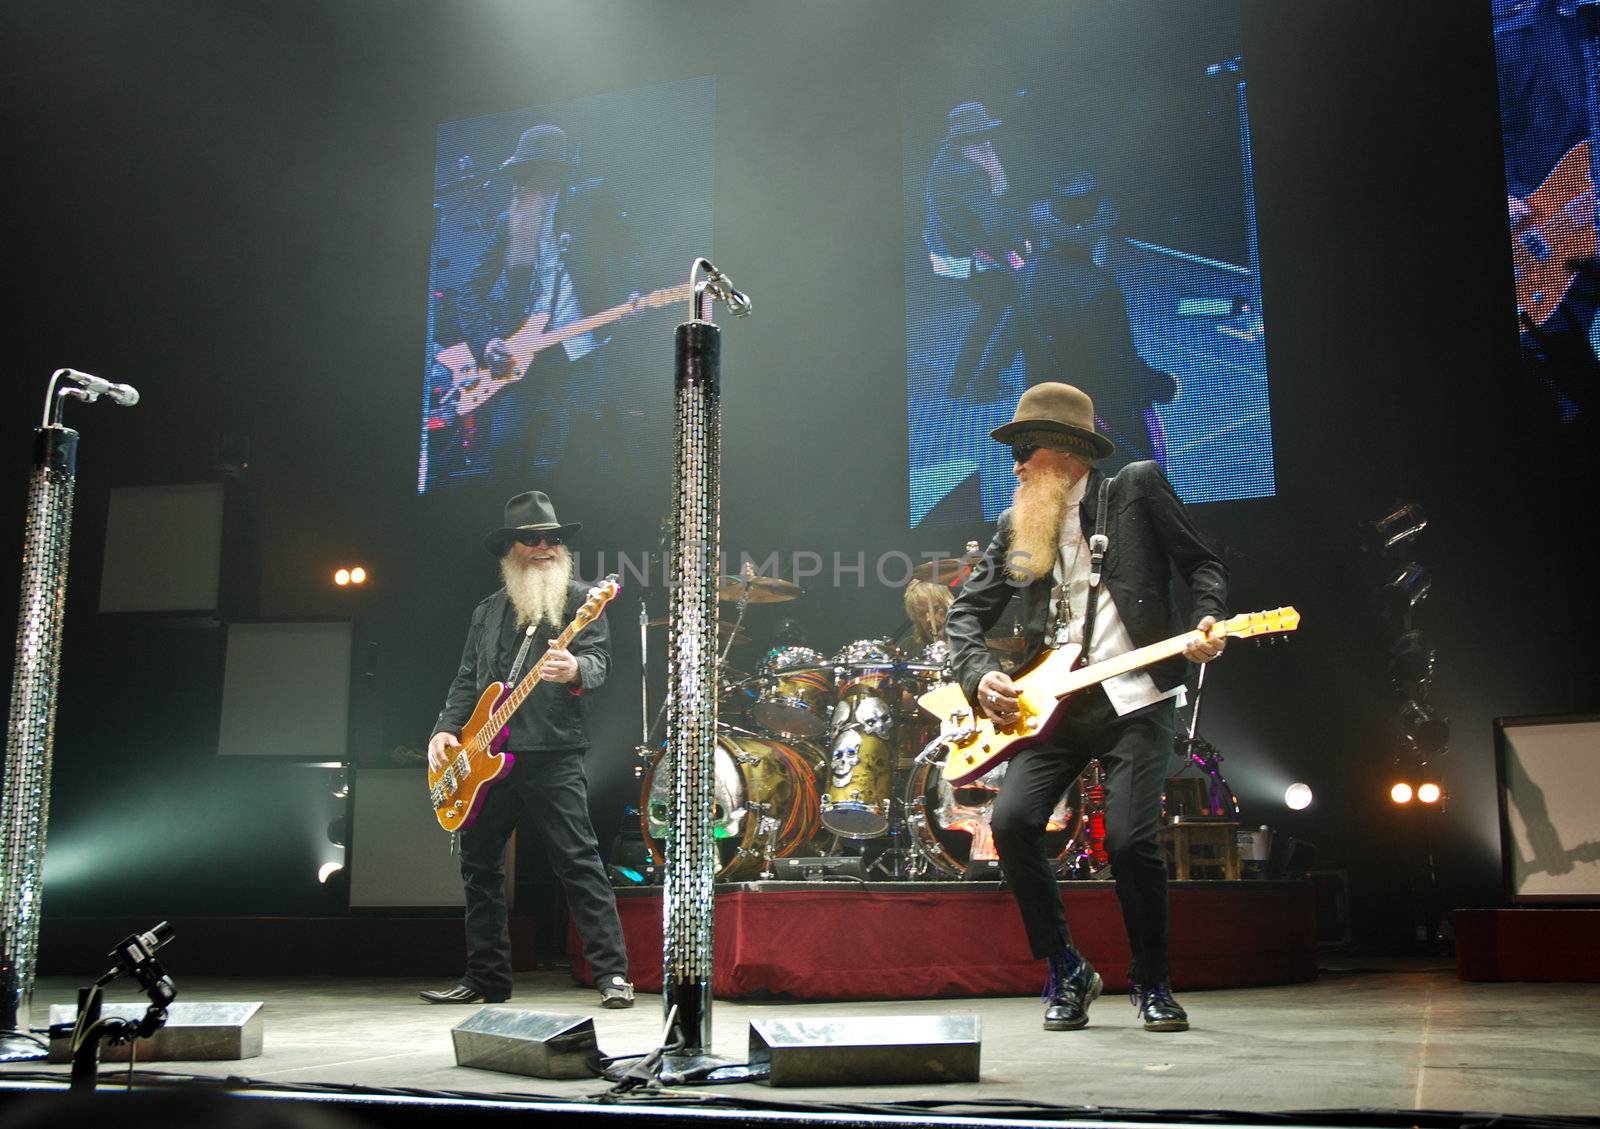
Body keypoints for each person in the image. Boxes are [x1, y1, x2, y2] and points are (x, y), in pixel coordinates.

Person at [944, 382, 1227, 1032]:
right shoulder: (1019, 526)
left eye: (1025, 449)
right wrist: (980, 673)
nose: (1014, 465)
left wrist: (1209, 619)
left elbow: (1203, 565)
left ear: (1068, 451)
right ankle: (1067, 967)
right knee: (1011, 823)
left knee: (1130, 843)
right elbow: (966, 612)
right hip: (1057, 704)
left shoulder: (1136, 487)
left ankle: (1152, 980)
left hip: (1139, 695)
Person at [422, 490, 633, 1008]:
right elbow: (467, 680)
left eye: (552, 538)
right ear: (511, 549)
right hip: (483, 758)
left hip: (553, 752)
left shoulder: (584, 602)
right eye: (532, 539)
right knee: (478, 867)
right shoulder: (487, 612)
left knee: (578, 863)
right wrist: (444, 730)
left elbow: (601, 661)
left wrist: (577, 669)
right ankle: (486, 978)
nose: (544, 546)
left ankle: (612, 976)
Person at [453, 124, 638, 482]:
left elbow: (629, 251)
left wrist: (631, 290)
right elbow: (469, 292)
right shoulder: (510, 222)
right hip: (526, 354)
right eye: (517, 174)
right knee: (504, 446)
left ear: (553, 172)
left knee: (586, 441)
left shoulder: (590, 200)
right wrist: (485, 342)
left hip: (582, 348)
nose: (520, 183)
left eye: (529, 172)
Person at [925, 101, 1036, 401]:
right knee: (1020, 306)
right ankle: (983, 385)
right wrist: (1024, 241)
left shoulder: (950, 159)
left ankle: (961, 383)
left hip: (952, 246)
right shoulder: (967, 173)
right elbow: (995, 223)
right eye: (982, 135)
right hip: (964, 253)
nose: (989, 141)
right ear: (967, 140)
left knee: (994, 309)